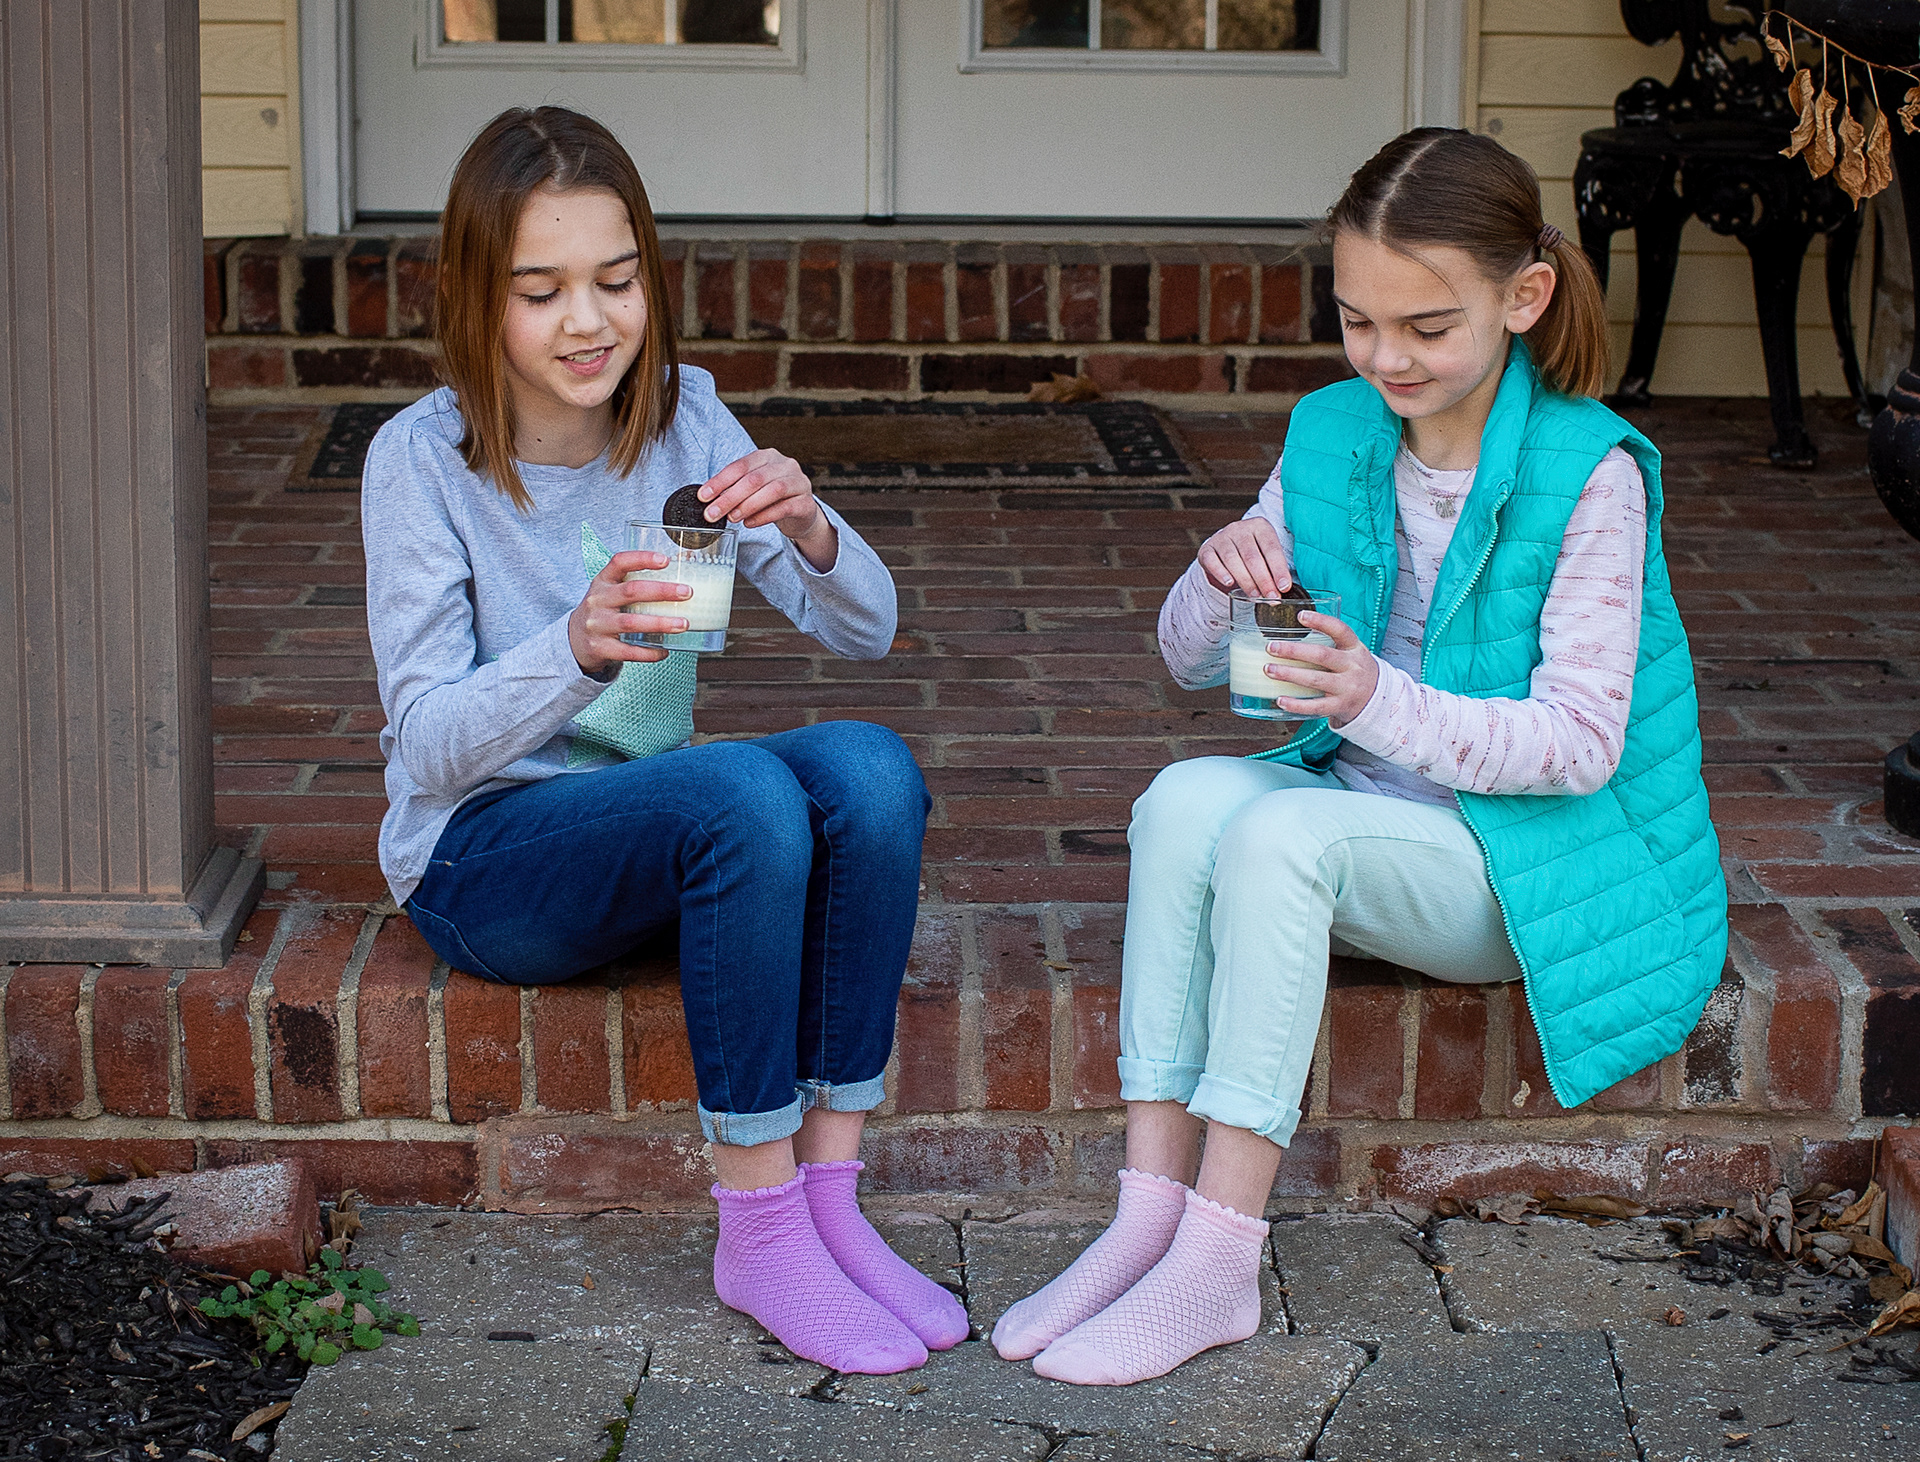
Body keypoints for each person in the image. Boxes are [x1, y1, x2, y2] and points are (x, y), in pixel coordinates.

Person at [992, 127, 1727, 1385]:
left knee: (1280, 831)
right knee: (1181, 800)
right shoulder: (1336, 431)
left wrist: (1377, 697)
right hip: (1370, 808)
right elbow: (1184, 660)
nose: (1387, 358)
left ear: (1524, 297)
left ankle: (1220, 1263)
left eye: (1427, 327)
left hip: (1534, 860)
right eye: (1358, 321)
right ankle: (1149, 1215)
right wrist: (1220, 571)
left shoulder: (1593, 474)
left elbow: (1583, 745)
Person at [361, 106, 964, 1376]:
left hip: (653, 828)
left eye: (616, 280)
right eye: (542, 291)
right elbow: (423, 749)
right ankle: (755, 1227)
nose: (589, 321)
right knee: (741, 790)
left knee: (870, 770)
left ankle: (829, 1197)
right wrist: (571, 647)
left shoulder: (685, 414)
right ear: (479, 300)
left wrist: (806, 523)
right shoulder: (419, 462)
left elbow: (871, 630)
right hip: (485, 861)